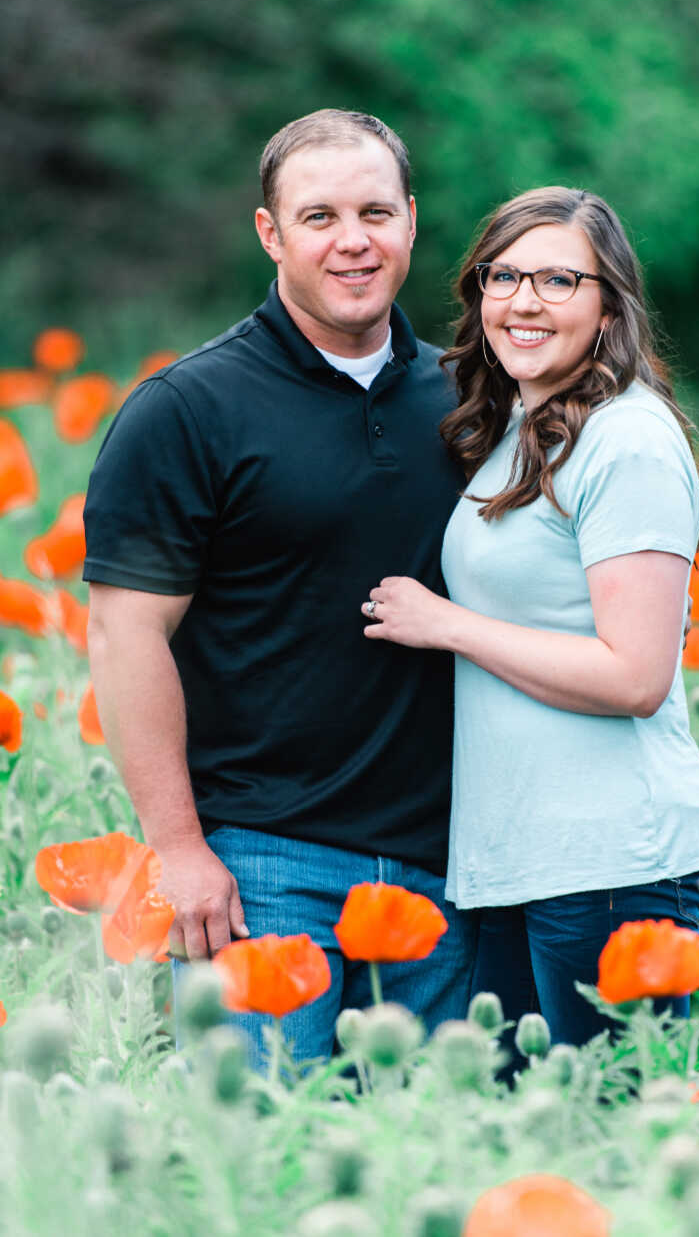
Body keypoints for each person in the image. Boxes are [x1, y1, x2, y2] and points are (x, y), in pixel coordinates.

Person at [82, 110, 478, 1065]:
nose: (354, 240)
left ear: (412, 222)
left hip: (451, 867)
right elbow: (122, 633)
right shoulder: (188, 411)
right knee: (263, 1166)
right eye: (320, 216)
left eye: (376, 211)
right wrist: (177, 849)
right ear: (271, 233)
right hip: (264, 867)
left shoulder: (471, 399)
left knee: (432, 1173)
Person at [360, 186, 699, 1050]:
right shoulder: (522, 430)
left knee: (606, 1144)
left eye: (561, 279)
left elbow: (635, 676)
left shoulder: (625, 441)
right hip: (519, 860)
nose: (525, 301)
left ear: (609, 310)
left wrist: (448, 624)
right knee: (530, 1151)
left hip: (610, 863)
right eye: (504, 276)